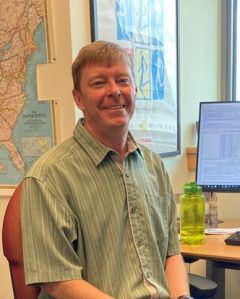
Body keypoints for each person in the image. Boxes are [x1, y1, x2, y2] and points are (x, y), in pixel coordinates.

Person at [21, 40, 191, 299]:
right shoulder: (49, 178)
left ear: (135, 89)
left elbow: (171, 252)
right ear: (78, 98)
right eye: (99, 83)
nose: (115, 91)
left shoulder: (154, 166)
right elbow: (58, 282)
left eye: (122, 80)